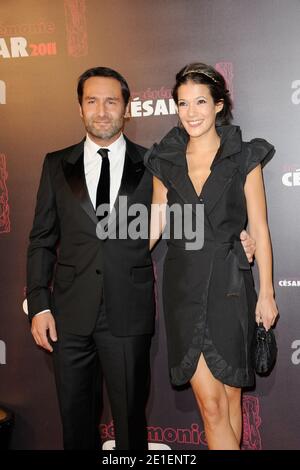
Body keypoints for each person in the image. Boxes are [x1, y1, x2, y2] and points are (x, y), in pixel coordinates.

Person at [26, 66, 256, 450]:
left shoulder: (154, 163)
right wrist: (38, 304)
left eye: (111, 101)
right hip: (68, 314)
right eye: (92, 101)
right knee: (75, 424)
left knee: (131, 428)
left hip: (128, 314)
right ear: (79, 108)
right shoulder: (55, 165)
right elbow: (41, 240)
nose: (102, 111)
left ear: (127, 109)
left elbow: (189, 217)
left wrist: (237, 240)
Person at [145, 62, 278, 450]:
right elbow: (155, 223)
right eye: (183, 103)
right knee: (212, 406)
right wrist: (111, 253)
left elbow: (260, 228)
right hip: (183, 287)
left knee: (231, 397)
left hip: (231, 285)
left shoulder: (243, 156)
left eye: (201, 101)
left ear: (219, 104)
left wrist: (267, 292)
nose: (192, 112)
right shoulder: (165, 158)